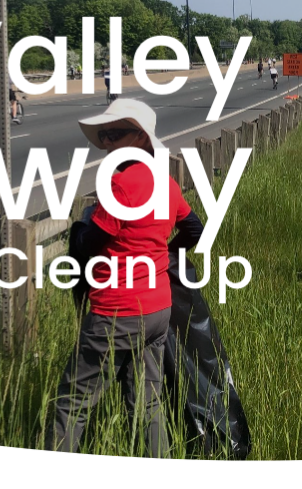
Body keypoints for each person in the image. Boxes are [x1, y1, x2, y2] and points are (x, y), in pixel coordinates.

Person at [50, 99, 204, 457]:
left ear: (139, 137)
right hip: (158, 310)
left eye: (115, 134)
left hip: (117, 312)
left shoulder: (121, 184)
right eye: (104, 136)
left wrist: (83, 228)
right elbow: (194, 228)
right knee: (147, 404)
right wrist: (164, 254)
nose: (107, 143)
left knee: (72, 403)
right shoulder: (166, 184)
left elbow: (92, 242)